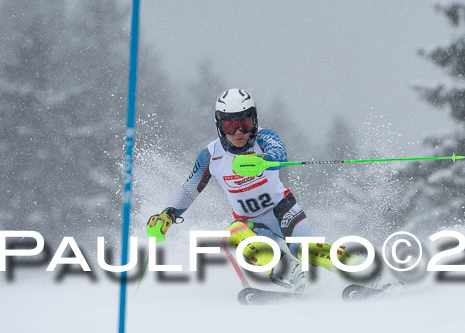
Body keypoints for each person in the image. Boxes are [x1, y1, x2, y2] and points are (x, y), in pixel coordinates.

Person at [146, 88, 356, 291]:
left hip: (282, 209)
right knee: (235, 232)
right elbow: (190, 189)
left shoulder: (265, 138)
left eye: (244, 124)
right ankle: (297, 276)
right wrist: (168, 215)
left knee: (304, 250)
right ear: (220, 125)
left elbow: (280, 155)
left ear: (254, 121)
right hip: (250, 222)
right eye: (231, 126)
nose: (239, 132)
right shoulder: (211, 155)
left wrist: (263, 160)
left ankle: (362, 267)